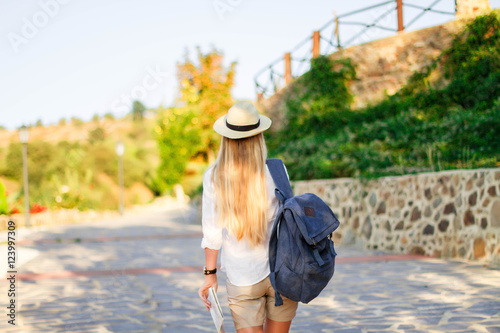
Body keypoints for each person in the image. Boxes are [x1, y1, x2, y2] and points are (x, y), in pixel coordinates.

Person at [198, 101, 298, 333]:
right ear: (259, 136)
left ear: (226, 138)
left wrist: (209, 276)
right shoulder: (277, 170)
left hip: (242, 277)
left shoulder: (214, 176)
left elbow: (212, 234)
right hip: (281, 273)